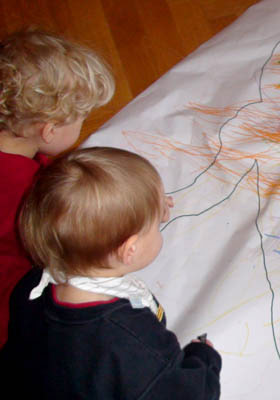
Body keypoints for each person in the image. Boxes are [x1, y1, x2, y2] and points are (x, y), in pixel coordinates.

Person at [0, 147, 221, 399]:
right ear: (130, 249)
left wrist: (148, 209)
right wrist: (204, 359)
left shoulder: (31, 285)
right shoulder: (127, 337)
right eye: (156, 225)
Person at [0, 29, 115, 347]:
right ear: (48, 131)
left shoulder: (18, 156)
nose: (83, 124)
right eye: (80, 118)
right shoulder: (28, 191)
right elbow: (64, 237)